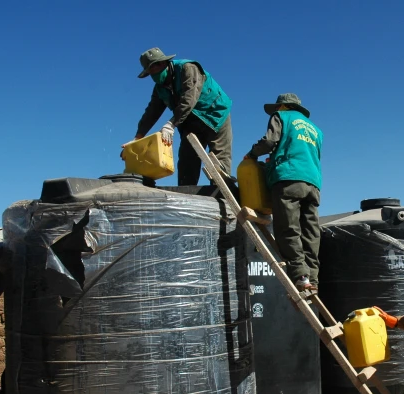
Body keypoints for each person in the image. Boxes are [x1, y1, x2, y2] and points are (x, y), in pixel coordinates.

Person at [244, 93, 323, 292]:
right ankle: (313, 278)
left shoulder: (281, 117)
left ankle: (300, 276)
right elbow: (307, 154)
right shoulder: (315, 130)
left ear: (283, 106)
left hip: (288, 179)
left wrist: (252, 154)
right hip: (313, 183)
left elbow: (270, 142)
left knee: (288, 227)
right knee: (311, 233)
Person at [124, 47, 233, 185]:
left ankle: (222, 197)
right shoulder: (160, 88)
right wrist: (137, 137)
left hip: (215, 114)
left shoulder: (188, 68)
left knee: (219, 161)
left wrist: (171, 124)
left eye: (155, 68)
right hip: (189, 120)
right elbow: (152, 112)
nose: (154, 74)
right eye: (150, 72)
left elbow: (189, 99)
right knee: (187, 160)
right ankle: (187, 196)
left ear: (163, 63)